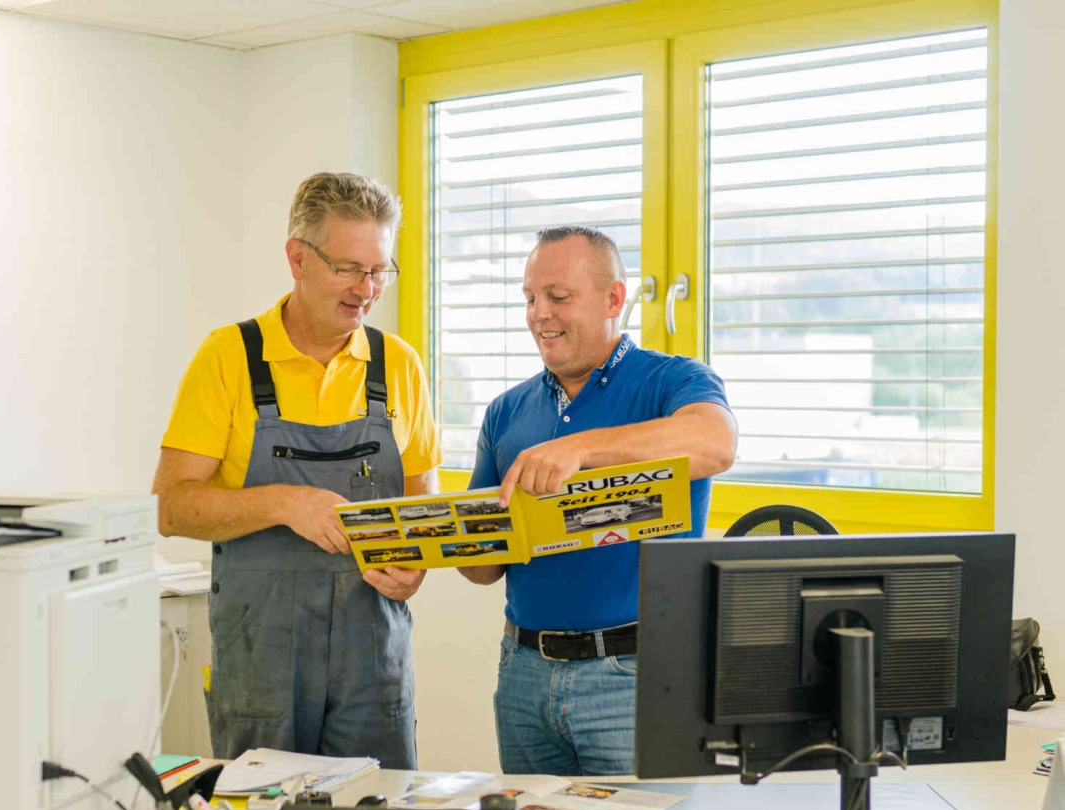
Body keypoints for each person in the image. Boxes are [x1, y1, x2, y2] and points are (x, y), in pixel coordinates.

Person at [152, 172, 440, 770]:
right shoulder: (228, 357)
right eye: (349, 268)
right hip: (261, 656)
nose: (366, 288)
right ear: (297, 259)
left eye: (379, 270)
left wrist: (416, 564)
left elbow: (423, 508)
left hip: (374, 660)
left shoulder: (400, 366)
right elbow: (172, 507)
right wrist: (287, 504)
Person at [457, 225, 737, 776]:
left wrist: (580, 450)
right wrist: (428, 543)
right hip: (523, 674)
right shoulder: (505, 412)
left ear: (614, 298)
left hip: (635, 676)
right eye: (530, 298)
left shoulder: (673, 381)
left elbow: (715, 443)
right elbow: (483, 568)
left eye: (558, 297)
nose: (539, 313)